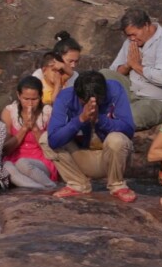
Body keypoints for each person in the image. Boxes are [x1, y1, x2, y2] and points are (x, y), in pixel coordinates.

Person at [41, 71, 137, 202]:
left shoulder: (114, 90)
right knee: (45, 139)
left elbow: (129, 130)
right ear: (77, 95)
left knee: (117, 139)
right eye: (84, 102)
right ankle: (78, 184)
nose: (91, 106)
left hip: (111, 158)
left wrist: (99, 119)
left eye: (98, 102)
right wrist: (80, 119)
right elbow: (53, 140)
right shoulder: (66, 97)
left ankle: (117, 185)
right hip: (81, 157)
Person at [103, 9, 162, 130]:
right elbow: (114, 71)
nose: (131, 38)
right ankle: (109, 114)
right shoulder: (131, 41)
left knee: (132, 116)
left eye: (134, 34)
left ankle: (114, 120)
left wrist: (136, 66)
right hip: (134, 91)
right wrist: (128, 65)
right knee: (103, 76)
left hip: (161, 99)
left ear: (146, 25)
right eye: (128, 35)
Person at [1, 76, 58, 188]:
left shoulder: (48, 112)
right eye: (26, 99)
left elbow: (51, 149)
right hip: (14, 158)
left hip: (40, 161)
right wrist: (24, 128)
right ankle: (45, 187)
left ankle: (48, 184)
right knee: (6, 166)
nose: (30, 104)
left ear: (41, 96)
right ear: (18, 95)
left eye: (34, 99)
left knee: (23, 163)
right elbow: (5, 149)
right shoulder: (9, 112)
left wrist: (35, 128)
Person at [32, 31, 82, 105]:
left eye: (76, 61)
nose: (73, 65)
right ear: (58, 59)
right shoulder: (39, 76)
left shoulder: (75, 77)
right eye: (70, 61)